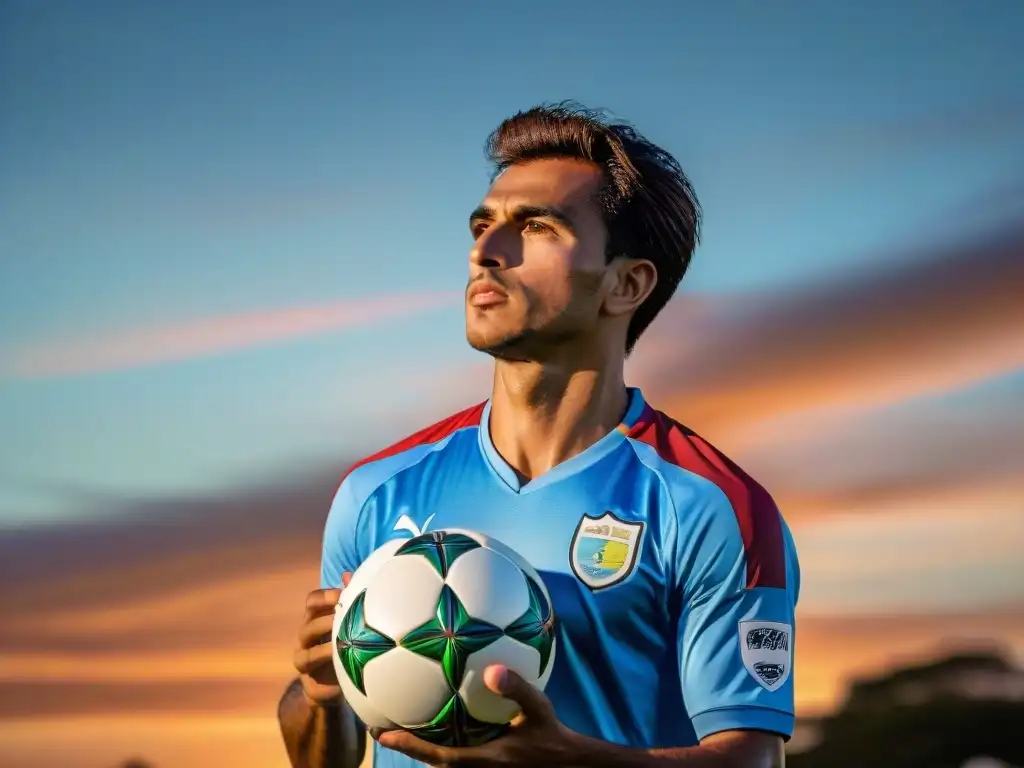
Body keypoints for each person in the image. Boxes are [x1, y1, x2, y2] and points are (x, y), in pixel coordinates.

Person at [279, 102, 800, 768]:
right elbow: (325, 759)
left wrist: (570, 762)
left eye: (537, 227)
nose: (485, 251)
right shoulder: (377, 490)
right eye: (484, 224)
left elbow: (752, 761)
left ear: (626, 283)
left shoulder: (709, 506)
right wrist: (322, 698)